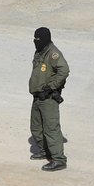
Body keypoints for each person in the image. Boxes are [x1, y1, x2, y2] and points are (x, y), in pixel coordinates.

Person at [28, 27, 69, 171]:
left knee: (51, 129)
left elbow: (64, 70)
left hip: (48, 97)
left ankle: (58, 159)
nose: (35, 42)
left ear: (45, 39)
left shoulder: (53, 53)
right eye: (34, 39)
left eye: (38, 40)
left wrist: (51, 86)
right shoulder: (40, 51)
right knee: (36, 127)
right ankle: (44, 151)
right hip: (37, 96)